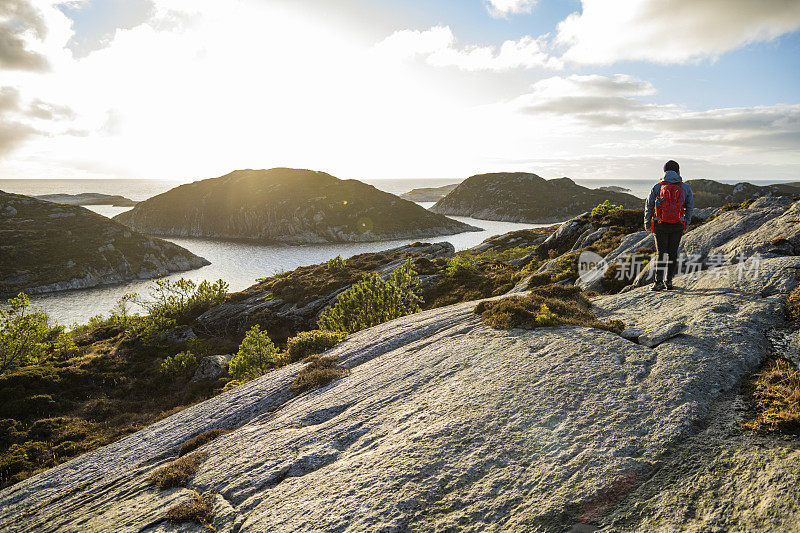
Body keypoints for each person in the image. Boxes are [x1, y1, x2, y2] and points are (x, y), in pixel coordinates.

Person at [644, 160, 693, 291]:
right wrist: (686, 224)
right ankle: (669, 281)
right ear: (678, 171)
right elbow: (689, 207)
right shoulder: (685, 187)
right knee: (672, 253)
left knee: (661, 253)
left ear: (665, 171)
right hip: (677, 224)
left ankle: (658, 282)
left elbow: (648, 206)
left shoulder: (658, 186)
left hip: (660, 224)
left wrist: (647, 223)